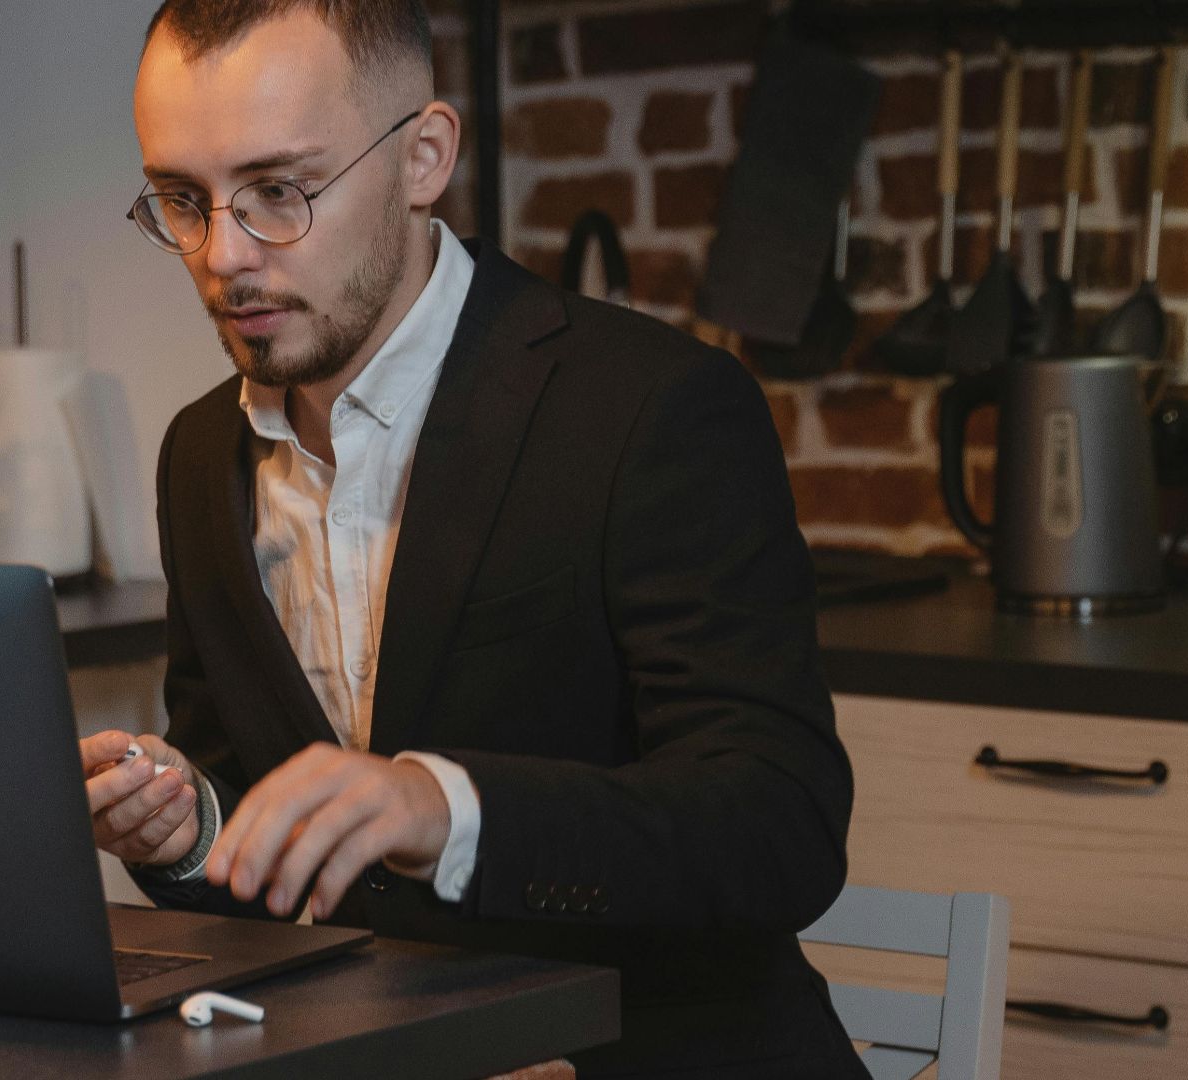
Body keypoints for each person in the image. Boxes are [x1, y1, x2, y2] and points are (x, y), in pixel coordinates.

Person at [81, 2, 865, 1075]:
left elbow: (778, 828)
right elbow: (267, 857)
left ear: (423, 157)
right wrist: (191, 832)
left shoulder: (655, 408)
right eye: (183, 199)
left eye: (278, 193)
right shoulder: (199, 457)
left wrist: (441, 804)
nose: (224, 257)